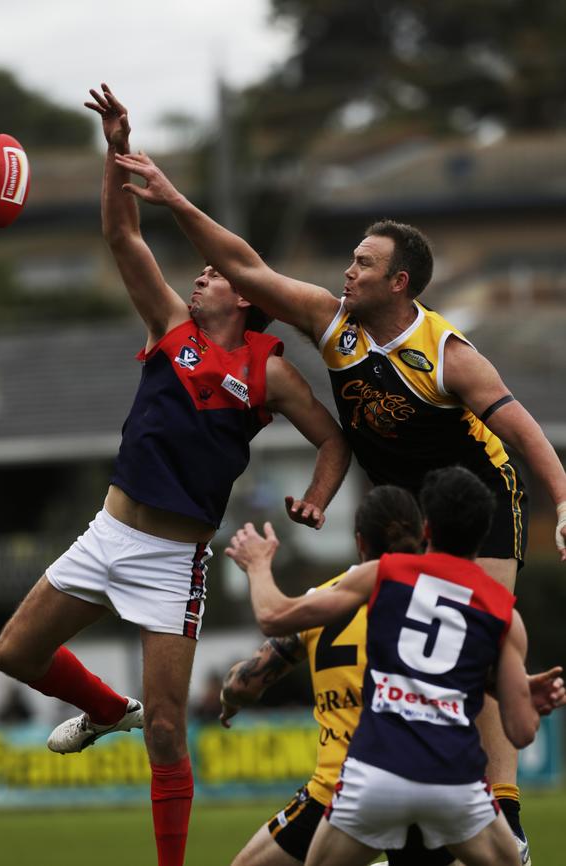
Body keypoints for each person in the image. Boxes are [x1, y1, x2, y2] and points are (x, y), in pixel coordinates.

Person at [107, 148, 566, 861]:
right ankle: (393, 788)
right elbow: (245, 266)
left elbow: (522, 428)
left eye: (361, 263)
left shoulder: (448, 354)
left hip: (478, 494)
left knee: (484, 626)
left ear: (399, 281)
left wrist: (563, 499)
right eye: (349, 260)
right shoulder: (333, 324)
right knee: (383, 616)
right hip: (400, 501)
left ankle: (505, 816)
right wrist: (172, 198)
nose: (345, 272)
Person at [0, 85, 349, 866]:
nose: (201, 278)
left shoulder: (271, 372)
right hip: (109, 531)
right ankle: (103, 709)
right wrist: (117, 150)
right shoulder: (171, 327)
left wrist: (317, 499)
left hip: (173, 561)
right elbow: (122, 234)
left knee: (166, 734)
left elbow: (333, 441)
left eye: (215, 275)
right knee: (12, 656)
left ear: (244, 294)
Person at [224, 466, 566, 866]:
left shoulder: (387, 574)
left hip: (375, 776)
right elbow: (521, 733)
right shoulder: (501, 610)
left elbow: (272, 616)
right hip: (454, 784)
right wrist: (522, 695)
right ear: (485, 531)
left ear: (428, 530)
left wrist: (258, 564)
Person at [222, 484, 458, 866]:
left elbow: (243, 683)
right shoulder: (446, 603)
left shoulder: (321, 602)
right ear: (424, 535)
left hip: (343, 789)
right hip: (432, 784)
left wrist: (228, 702)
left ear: (360, 542)